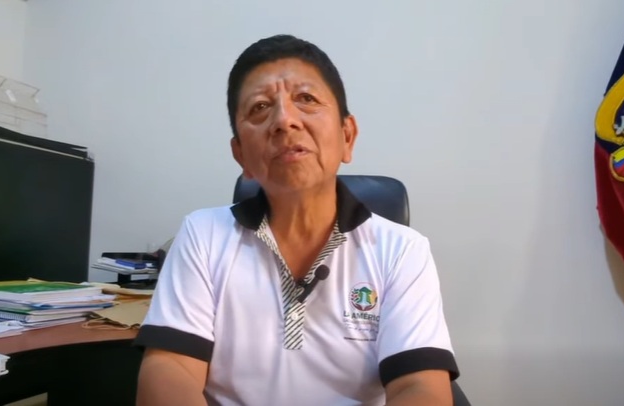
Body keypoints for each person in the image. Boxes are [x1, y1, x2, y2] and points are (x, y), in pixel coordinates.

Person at [134, 34, 459, 406]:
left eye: (306, 99)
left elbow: (419, 387)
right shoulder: (202, 235)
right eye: (260, 107)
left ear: (347, 136)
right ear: (241, 155)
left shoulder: (402, 251)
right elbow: (170, 368)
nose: (284, 120)